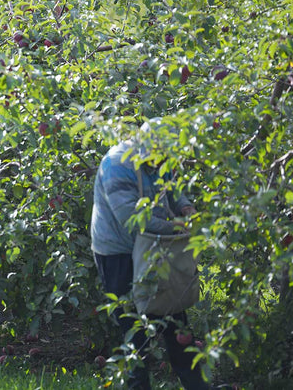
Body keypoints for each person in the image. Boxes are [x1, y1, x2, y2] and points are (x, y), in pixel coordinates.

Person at [91, 119, 209, 390]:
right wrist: (176, 226)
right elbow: (132, 220)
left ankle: (198, 387)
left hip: (156, 244)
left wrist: (187, 209)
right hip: (118, 252)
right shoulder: (116, 166)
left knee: (174, 315)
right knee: (134, 326)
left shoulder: (161, 157)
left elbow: (173, 189)